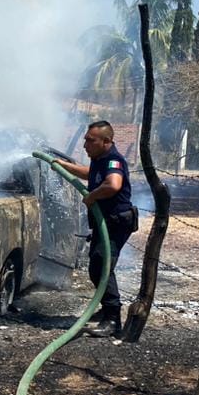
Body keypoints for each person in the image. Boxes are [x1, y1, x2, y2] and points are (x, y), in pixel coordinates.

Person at [56, 120, 138, 338]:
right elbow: (89, 174)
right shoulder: (100, 160)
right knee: (97, 266)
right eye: (85, 140)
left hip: (115, 222)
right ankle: (107, 310)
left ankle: (113, 320)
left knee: (101, 266)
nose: (85, 145)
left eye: (90, 141)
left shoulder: (113, 160)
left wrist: (91, 196)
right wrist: (64, 165)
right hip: (106, 223)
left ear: (106, 141)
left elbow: (113, 184)